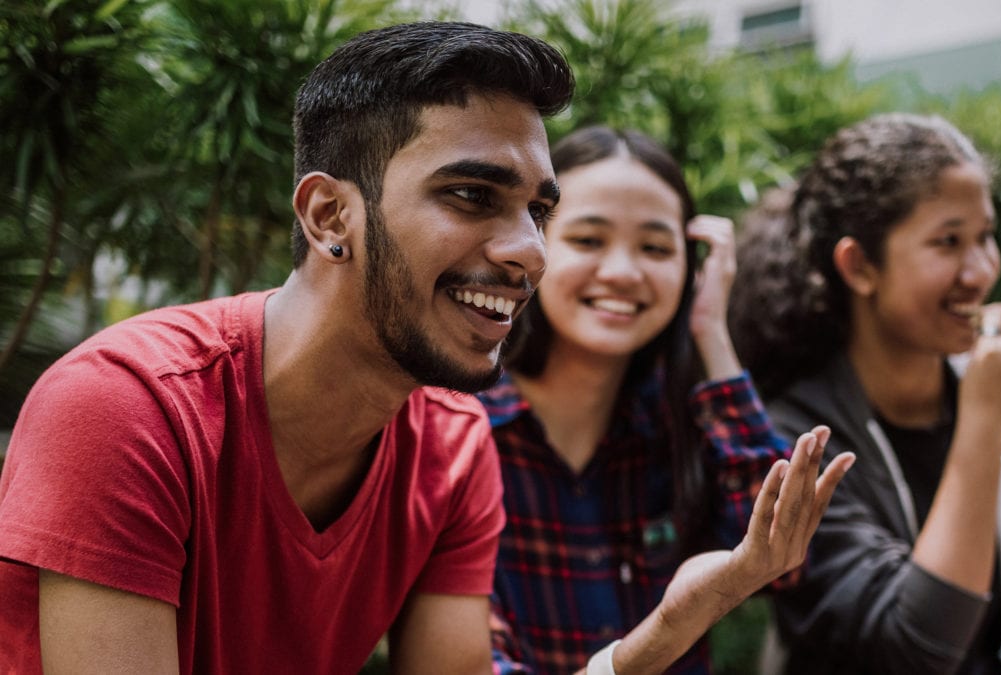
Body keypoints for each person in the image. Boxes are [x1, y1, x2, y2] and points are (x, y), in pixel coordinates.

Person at [0, 21, 575, 673]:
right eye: (473, 195)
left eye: (538, 211)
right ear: (330, 215)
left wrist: (642, 652)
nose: (531, 250)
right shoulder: (126, 411)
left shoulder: (452, 448)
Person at [476, 125, 855, 674]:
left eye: (655, 248)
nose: (624, 272)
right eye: (587, 240)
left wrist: (712, 335)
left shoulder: (680, 421)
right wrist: (666, 631)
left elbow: (783, 561)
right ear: (532, 246)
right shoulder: (460, 432)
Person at [729, 112, 1001, 674]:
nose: (981, 271)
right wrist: (985, 424)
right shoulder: (796, 442)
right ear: (860, 265)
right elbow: (912, 649)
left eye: (984, 237)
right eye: (948, 241)